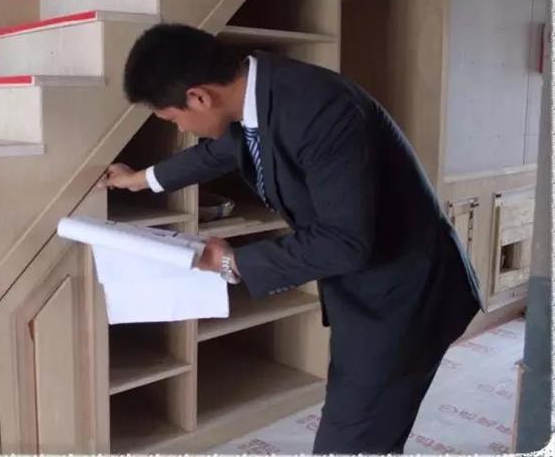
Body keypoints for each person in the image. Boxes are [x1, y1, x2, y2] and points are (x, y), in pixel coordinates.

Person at [97, 24, 482, 454]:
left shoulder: (321, 111)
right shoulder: (258, 91)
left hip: (406, 293)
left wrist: (232, 262)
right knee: (366, 428)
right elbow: (221, 151)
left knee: (349, 439)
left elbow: (344, 242)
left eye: (173, 119)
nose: (182, 128)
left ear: (199, 97)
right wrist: (140, 180)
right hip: (366, 288)